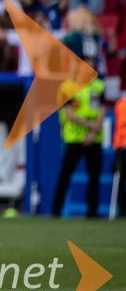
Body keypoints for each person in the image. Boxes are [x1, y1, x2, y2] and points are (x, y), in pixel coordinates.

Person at [51, 61, 106, 218]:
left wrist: (93, 133)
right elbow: (69, 114)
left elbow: (103, 109)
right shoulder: (67, 87)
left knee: (94, 176)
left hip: (94, 138)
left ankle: (92, 212)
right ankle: (56, 211)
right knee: (65, 174)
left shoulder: (98, 86)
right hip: (74, 138)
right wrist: (92, 126)